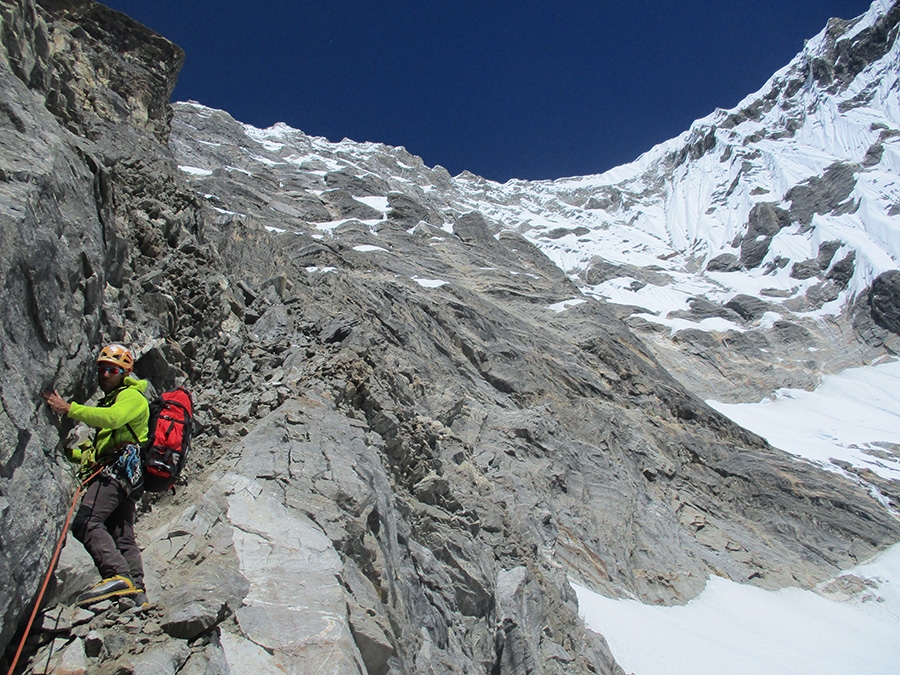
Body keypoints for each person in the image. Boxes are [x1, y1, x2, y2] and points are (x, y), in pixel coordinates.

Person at [44, 344, 150, 606]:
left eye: (112, 370)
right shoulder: (118, 396)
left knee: (86, 521)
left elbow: (112, 419)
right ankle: (136, 592)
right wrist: (70, 457)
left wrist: (69, 409)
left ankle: (117, 575)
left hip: (118, 470)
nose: (105, 375)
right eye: (101, 369)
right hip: (128, 474)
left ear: (125, 373)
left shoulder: (132, 397)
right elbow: (100, 448)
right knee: (121, 531)